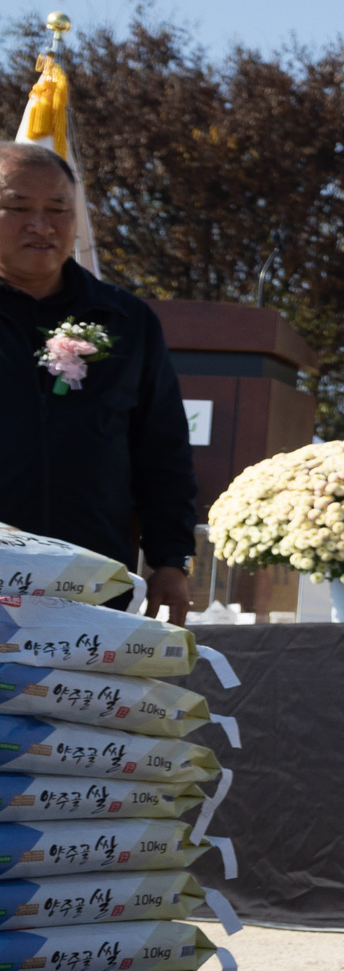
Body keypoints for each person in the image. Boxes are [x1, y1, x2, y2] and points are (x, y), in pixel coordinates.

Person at [0, 143, 197, 622]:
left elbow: (163, 448)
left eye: (58, 209)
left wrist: (171, 560)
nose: (41, 225)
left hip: (92, 582)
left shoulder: (127, 320)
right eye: (18, 207)